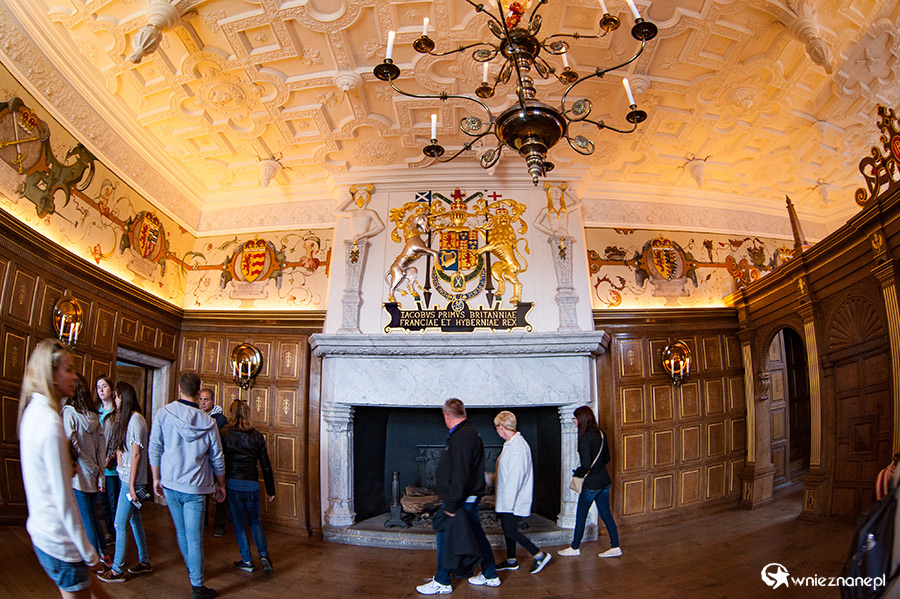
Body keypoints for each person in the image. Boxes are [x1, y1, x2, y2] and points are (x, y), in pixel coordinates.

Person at [19, 338, 110, 599]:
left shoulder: (33, 411)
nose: (75, 377)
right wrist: (89, 554)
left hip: (43, 533)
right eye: (68, 369)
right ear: (51, 374)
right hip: (60, 542)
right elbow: (64, 502)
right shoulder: (50, 423)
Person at [149, 372, 226, 599]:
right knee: (195, 538)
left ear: (179, 389)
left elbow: (155, 447)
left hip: (171, 483)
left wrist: (156, 477)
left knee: (181, 532)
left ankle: (192, 569)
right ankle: (197, 586)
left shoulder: (164, 413)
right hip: (197, 487)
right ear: (198, 392)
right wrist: (221, 484)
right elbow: (217, 457)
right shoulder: (209, 422)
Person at [417, 398, 499, 595]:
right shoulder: (470, 433)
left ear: (447, 416)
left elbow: (461, 473)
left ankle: (442, 580)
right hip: (468, 497)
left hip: (460, 499)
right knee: (477, 535)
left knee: (445, 536)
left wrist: (451, 505)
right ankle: (490, 574)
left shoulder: (461, 437)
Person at [98, 381, 152, 582]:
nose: (115, 400)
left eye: (117, 396)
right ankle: (144, 561)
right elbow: (129, 447)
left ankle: (117, 570)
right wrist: (119, 451)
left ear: (124, 397)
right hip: (128, 480)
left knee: (119, 523)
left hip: (132, 483)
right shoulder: (130, 418)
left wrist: (131, 485)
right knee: (133, 519)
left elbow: (137, 454)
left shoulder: (136, 419)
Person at [558, 405, 621, 558]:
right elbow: (607, 458)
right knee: (606, 515)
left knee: (581, 515)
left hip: (591, 484)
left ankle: (575, 547)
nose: (574, 421)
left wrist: (577, 473)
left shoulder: (585, 437)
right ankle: (615, 546)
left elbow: (586, 465)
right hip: (604, 481)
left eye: (575, 418)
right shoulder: (601, 434)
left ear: (582, 419)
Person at [492, 411, 551, 574]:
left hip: (513, 499)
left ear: (501, 427)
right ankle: (511, 560)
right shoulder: (510, 444)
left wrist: (507, 504)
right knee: (507, 528)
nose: (496, 430)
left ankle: (539, 555)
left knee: (510, 530)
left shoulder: (517, 447)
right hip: (508, 497)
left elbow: (516, 478)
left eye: (496, 426)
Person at [62, 374, 111, 567]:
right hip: (94, 474)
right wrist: (99, 473)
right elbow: (101, 448)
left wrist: (90, 467)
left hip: (79, 474)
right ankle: (104, 553)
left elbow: (72, 445)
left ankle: (95, 559)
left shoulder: (69, 412)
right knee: (93, 516)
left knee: (86, 519)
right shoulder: (94, 415)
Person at [222, 400, 276, 574]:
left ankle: (246, 560)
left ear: (231, 414)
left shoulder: (224, 434)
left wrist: (217, 484)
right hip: (252, 484)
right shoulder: (257, 436)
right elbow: (265, 465)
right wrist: (270, 489)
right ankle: (263, 554)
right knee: (255, 521)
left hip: (232, 483)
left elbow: (218, 460)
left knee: (239, 524)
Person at [198, 388, 228, 537]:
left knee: (219, 493)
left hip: (215, 461)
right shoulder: (197, 415)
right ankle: (202, 521)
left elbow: (222, 442)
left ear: (212, 401)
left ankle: (219, 525)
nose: (203, 403)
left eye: (206, 399)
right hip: (202, 462)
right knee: (202, 493)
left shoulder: (220, 419)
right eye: (201, 399)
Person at [95, 375, 118, 546]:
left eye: (104, 386)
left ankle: (117, 533)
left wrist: (111, 457)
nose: (101, 390)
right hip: (98, 466)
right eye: (98, 387)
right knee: (103, 503)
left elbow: (119, 438)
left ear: (111, 389)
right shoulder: (95, 412)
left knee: (113, 503)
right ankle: (110, 532)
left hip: (112, 467)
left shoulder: (117, 412)